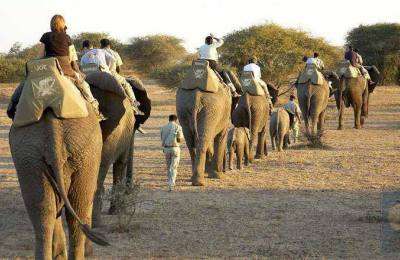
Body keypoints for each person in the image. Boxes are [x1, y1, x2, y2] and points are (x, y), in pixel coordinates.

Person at [99, 38, 144, 115]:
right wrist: (119, 75)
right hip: (112, 74)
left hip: (99, 75)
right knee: (127, 85)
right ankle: (133, 102)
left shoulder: (98, 53)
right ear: (109, 45)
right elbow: (118, 68)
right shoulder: (114, 53)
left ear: (101, 45)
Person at [160, 114, 183, 192]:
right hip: (175, 149)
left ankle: (169, 182)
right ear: (176, 120)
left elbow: (162, 139)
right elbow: (179, 140)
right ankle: (172, 184)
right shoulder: (178, 127)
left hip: (166, 149)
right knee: (174, 167)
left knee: (168, 166)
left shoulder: (163, 128)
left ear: (169, 119)